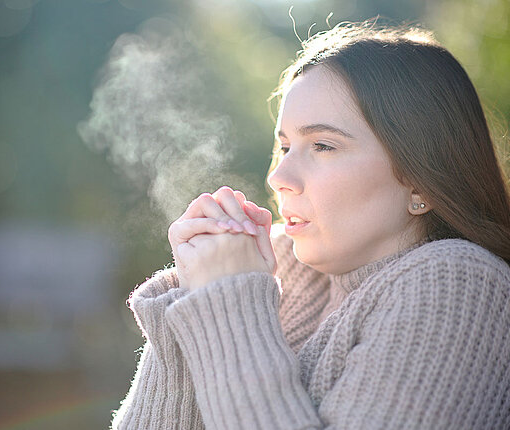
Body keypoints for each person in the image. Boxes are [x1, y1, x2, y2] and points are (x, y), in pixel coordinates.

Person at [112, 19, 510, 429]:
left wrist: (229, 301)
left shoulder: (459, 284)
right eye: (284, 146)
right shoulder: (283, 271)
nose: (278, 176)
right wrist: (191, 307)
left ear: (422, 179)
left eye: (322, 145)